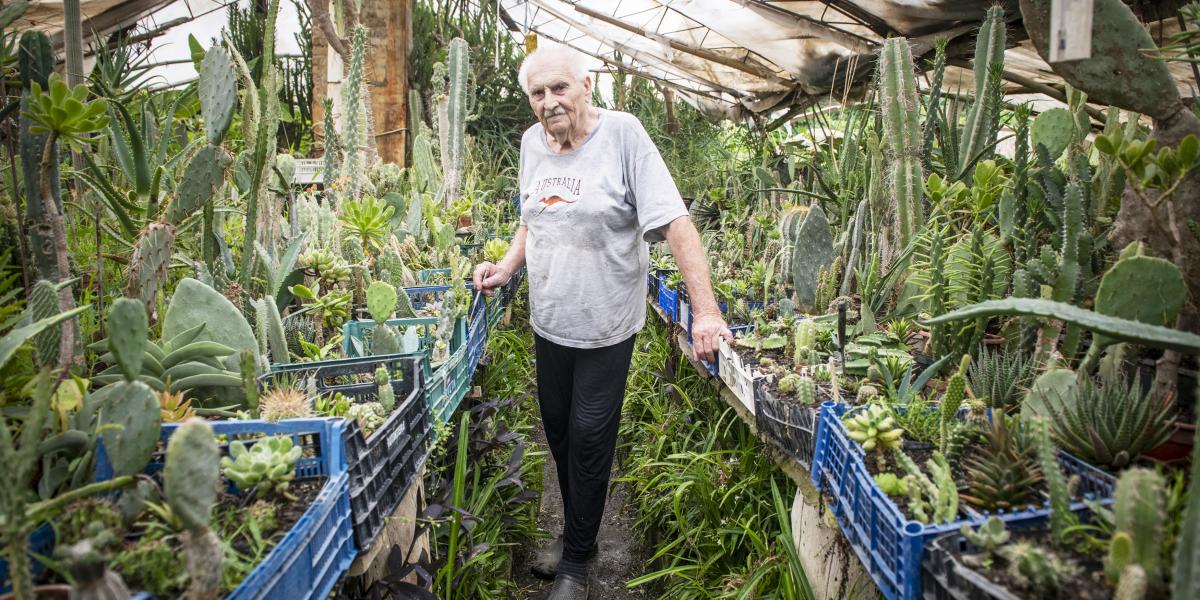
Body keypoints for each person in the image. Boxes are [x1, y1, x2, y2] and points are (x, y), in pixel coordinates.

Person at [472, 43, 730, 600]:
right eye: (537, 93)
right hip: (550, 319)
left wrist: (705, 312)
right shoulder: (530, 144)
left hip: (607, 324)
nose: (548, 102)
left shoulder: (623, 135)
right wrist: (507, 265)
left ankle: (576, 565)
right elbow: (530, 220)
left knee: (590, 438)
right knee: (561, 434)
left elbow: (677, 223)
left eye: (559, 88)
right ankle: (575, 539)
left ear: (587, 85)